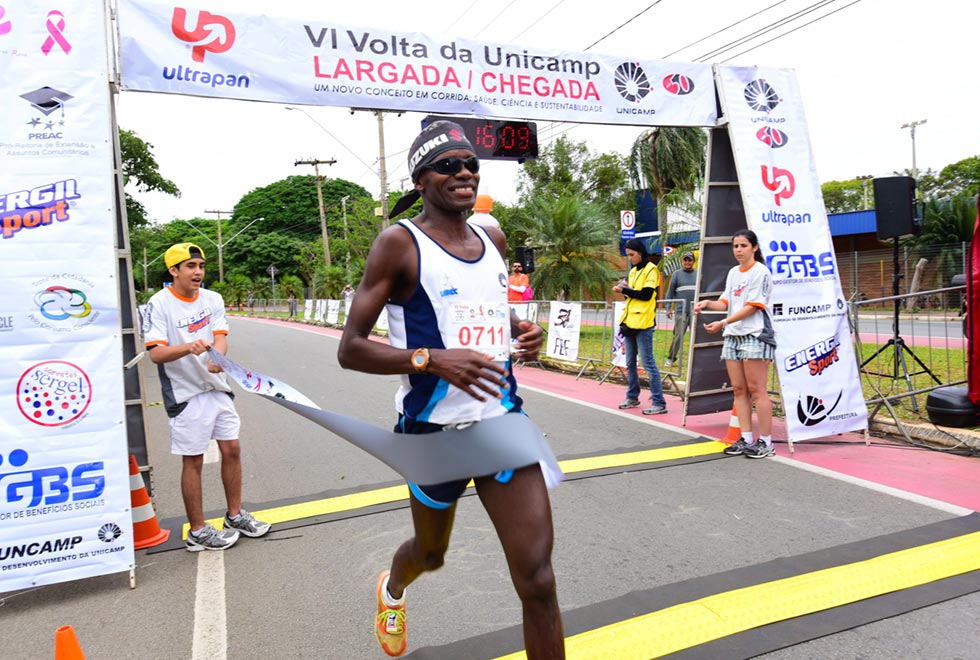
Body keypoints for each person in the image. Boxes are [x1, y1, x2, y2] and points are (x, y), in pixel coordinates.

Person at [337, 121, 564, 659]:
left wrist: (519, 329)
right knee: (431, 553)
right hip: (431, 433)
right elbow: (350, 348)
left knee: (538, 580)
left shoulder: (493, 236)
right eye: (447, 166)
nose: (463, 173)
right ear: (421, 181)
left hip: (500, 421)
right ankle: (393, 587)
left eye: (469, 165)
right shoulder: (398, 243)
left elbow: (486, 306)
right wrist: (428, 360)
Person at [144, 243, 271, 551]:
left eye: (200, 265)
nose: (198, 271)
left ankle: (235, 515)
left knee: (232, 449)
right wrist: (188, 347)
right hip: (185, 393)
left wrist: (218, 358)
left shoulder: (212, 298)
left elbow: (220, 337)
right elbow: (157, 353)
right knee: (194, 460)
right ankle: (198, 531)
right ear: (174, 271)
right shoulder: (159, 304)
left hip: (217, 386)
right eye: (190, 266)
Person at [694, 229, 776, 459]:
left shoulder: (761, 272)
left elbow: (751, 307)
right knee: (739, 389)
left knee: (757, 389)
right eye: (735, 246)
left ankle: (766, 442)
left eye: (743, 246)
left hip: (755, 334)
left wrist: (723, 322)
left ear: (754, 248)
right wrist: (709, 303)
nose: (738, 250)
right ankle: (746, 438)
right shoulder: (733, 273)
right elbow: (726, 302)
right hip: (733, 335)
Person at [613, 238, 667, 415]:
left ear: (640, 253)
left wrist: (624, 290)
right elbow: (633, 296)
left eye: (632, 255)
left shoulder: (651, 270)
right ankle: (632, 395)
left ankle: (659, 401)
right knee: (630, 362)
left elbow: (645, 295)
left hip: (644, 323)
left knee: (648, 362)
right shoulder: (634, 271)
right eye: (627, 255)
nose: (630, 258)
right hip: (630, 322)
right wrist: (626, 289)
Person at [664, 251, 698, 368]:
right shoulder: (676, 274)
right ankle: (671, 358)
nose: (687, 262)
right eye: (685, 260)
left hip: (695, 312)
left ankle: (696, 360)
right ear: (682, 261)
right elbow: (670, 293)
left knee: (696, 337)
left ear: (693, 261)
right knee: (678, 336)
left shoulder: (698, 274)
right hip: (680, 312)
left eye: (690, 260)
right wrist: (668, 308)